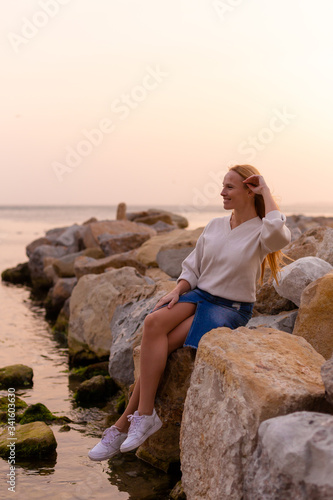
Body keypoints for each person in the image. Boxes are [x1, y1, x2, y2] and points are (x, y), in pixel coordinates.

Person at [88, 164, 291, 461]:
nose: (222, 192)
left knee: (163, 347)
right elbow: (193, 266)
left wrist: (267, 191)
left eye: (230, 187)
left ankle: (123, 424)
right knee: (154, 320)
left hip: (230, 306)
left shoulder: (262, 230)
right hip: (198, 295)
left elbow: (280, 237)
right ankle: (144, 417)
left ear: (250, 191)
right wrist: (177, 290)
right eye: (222, 186)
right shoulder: (214, 225)